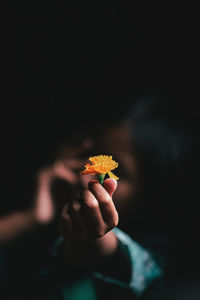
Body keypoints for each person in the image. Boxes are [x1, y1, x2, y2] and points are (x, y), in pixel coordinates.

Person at [0, 99, 165, 300]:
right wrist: (32, 217)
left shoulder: (155, 257)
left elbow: (109, 252)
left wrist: (92, 241)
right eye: (86, 155)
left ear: (145, 191)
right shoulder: (31, 230)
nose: (85, 176)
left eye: (115, 170)